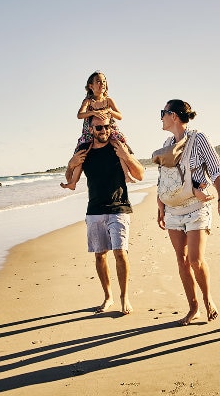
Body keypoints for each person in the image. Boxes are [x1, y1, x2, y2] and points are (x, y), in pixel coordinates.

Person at [155, 99, 220, 326]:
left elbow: (216, 169)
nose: (160, 117)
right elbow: (164, 180)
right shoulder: (168, 142)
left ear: (174, 116)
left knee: (196, 260)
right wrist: (160, 206)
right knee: (181, 259)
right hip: (172, 210)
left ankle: (208, 300)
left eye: (163, 113)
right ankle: (193, 307)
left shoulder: (199, 139)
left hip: (197, 208)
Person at [66, 115, 145, 314]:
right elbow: (70, 181)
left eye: (107, 127)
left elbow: (140, 174)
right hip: (94, 210)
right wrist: (70, 163)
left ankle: (124, 296)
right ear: (90, 130)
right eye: (99, 128)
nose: (104, 131)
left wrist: (126, 156)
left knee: (120, 252)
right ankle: (108, 296)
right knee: (100, 255)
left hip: (119, 207)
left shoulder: (118, 147)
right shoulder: (84, 152)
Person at [61, 71, 135, 190]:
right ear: (91, 86)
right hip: (90, 132)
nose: (102, 84)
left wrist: (109, 111)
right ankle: (73, 182)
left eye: (104, 81)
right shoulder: (88, 101)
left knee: (119, 147)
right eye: (98, 82)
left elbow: (120, 116)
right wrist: (93, 112)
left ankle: (127, 175)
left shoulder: (108, 101)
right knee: (81, 153)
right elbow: (80, 115)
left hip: (109, 130)